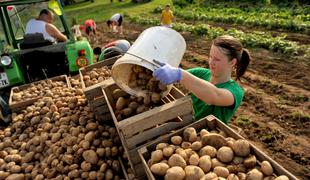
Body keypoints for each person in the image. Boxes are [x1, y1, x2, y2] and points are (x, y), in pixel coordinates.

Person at [153, 35, 251, 124]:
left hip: (205, 137)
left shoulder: (235, 91)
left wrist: (179, 74)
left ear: (232, 62)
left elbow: (214, 95)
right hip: (185, 126)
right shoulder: (200, 73)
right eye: (210, 57)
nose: (211, 62)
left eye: (217, 59)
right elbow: (175, 77)